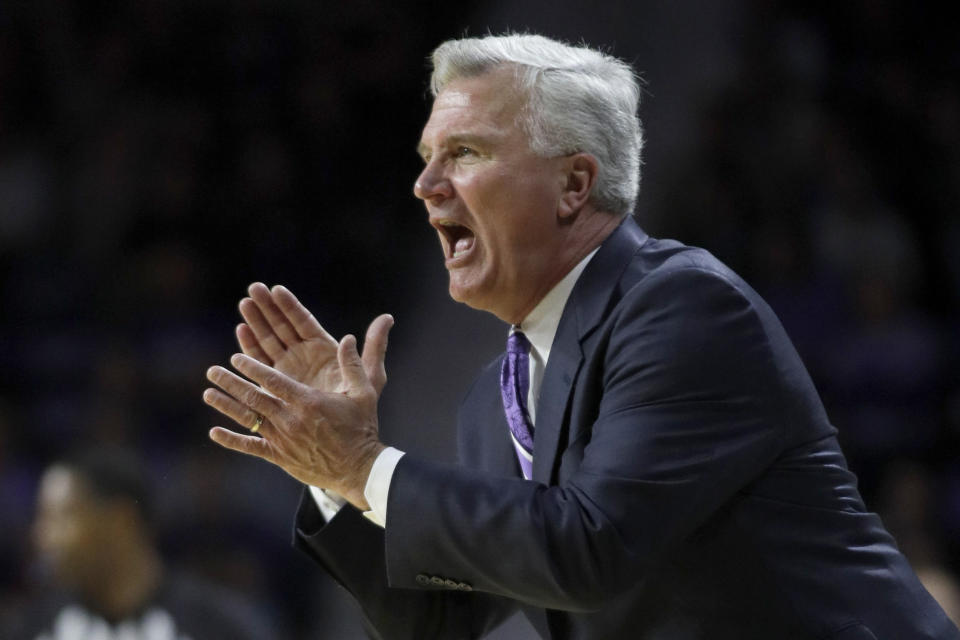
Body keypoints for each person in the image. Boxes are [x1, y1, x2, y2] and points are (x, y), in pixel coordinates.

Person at [202, 33, 960, 638]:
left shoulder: (682, 308)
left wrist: (367, 463)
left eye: (464, 152)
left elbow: (588, 548)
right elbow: (433, 622)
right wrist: (334, 475)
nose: (426, 185)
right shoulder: (496, 394)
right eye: (427, 157)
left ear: (573, 185)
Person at [7, 446, 276, 640]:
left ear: (120, 521)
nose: (41, 536)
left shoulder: (217, 625)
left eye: (59, 518)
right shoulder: (33, 627)